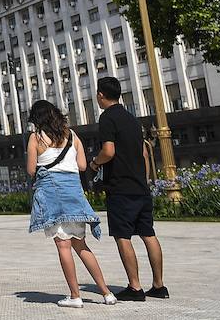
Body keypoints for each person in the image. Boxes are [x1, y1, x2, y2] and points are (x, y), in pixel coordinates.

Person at [26, 100, 116, 309]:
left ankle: (75, 296)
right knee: (81, 244)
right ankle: (106, 292)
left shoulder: (36, 137)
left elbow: (31, 170)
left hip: (51, 195)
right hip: (74, 194)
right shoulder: (72, 135)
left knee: (63, 245)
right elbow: (83, 165)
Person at [92, 76, 169, 301]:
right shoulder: (132, 119)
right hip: (140, 187)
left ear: (100, 95)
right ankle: (159, 285)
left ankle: (135, 288)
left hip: (120, 187)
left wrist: (95, 163)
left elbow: (108, 151)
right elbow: (144, 153)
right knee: (148, 233)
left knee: (122, 236)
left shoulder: (107, 118)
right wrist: (143, 181)